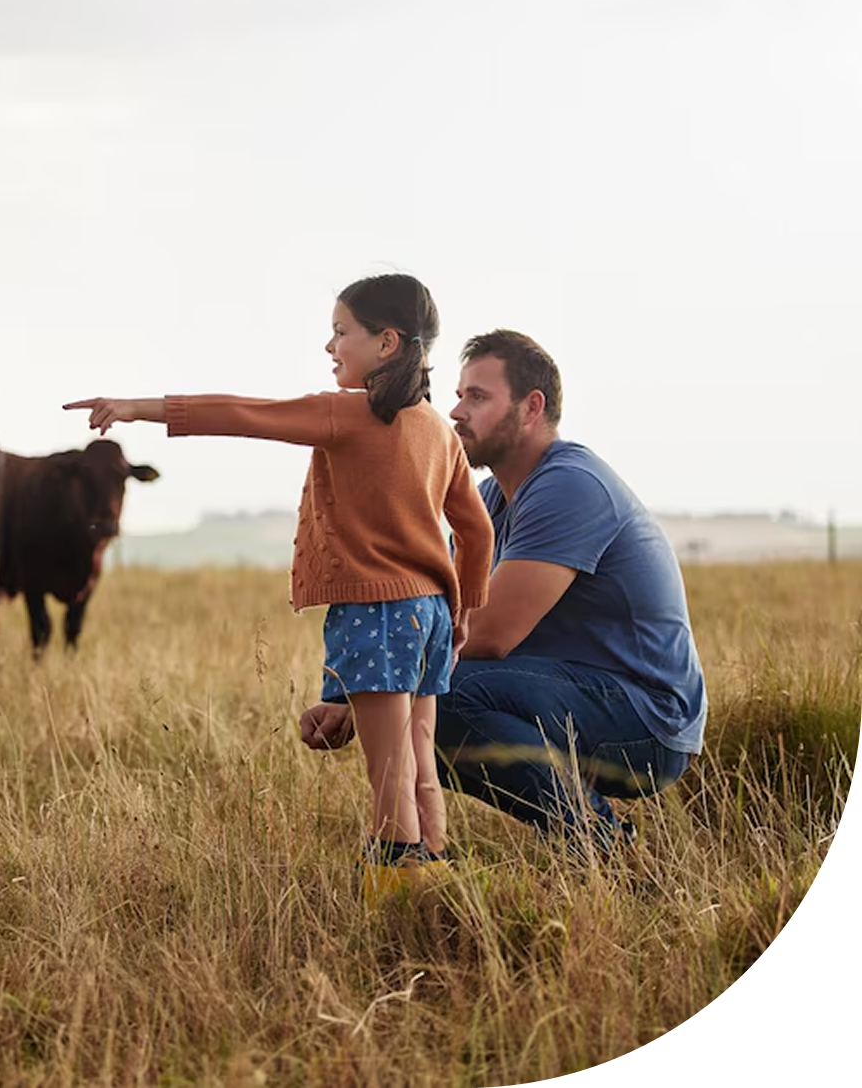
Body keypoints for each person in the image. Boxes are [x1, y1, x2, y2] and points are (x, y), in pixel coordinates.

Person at [64, 273, 495, 902]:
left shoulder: (348, 413)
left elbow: (243, 414)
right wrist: (463, 612)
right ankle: (438, 880)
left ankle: (391, 893)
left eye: (341, 332)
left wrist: (137, 408)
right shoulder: (437, 430)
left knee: (387, 774)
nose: (330, 346)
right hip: (429, 612)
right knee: (419, 758)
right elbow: (476, 530)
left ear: (386, 343)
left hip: (376, 610)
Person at [297, 329, 706, 855]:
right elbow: (427, 609)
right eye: (460, 394)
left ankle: (607, 851)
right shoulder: (491, 499)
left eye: (478, 397)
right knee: (418, 705)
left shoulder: (571, 486)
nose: (456, 412)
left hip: (648, 723)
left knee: (435, 701)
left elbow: (488, 635)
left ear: (531, 407)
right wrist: (350, 694)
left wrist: (367, 694)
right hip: (576, 696)